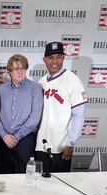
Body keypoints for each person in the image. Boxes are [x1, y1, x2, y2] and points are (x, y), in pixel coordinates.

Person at [35, 41, 87, 172]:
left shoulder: (73, 80)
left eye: (58, 57)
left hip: (61, 147)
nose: (54, 61)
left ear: (63, 57)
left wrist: (71, 144)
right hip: (40, 145)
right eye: (51, 57)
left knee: (59, 186)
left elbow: (79, 115)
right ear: (44, 60)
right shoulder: (41, 82)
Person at [0, 54, 43, 174]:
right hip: (4, 140)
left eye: (23, 68)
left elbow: (35, 117)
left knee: (23, 175)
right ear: (10, 71)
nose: (20, 71)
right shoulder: (1, 90)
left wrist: (17, 136)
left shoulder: (35, 88)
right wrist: (4, 135)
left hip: (25, 140)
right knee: (5, 174)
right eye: (16, 68)